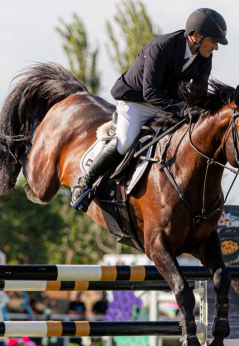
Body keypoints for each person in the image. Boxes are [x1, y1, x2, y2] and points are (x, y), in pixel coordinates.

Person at [71, 8, 228, 211]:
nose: (216, 47)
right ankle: (84, 184)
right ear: (196, 36)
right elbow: (150, 92)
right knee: (125, 142)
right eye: (213, 41)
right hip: (136, 102)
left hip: (166, 105)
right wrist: (182, 109)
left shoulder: (204, 56)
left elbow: (198, 93)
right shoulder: (162, 47)